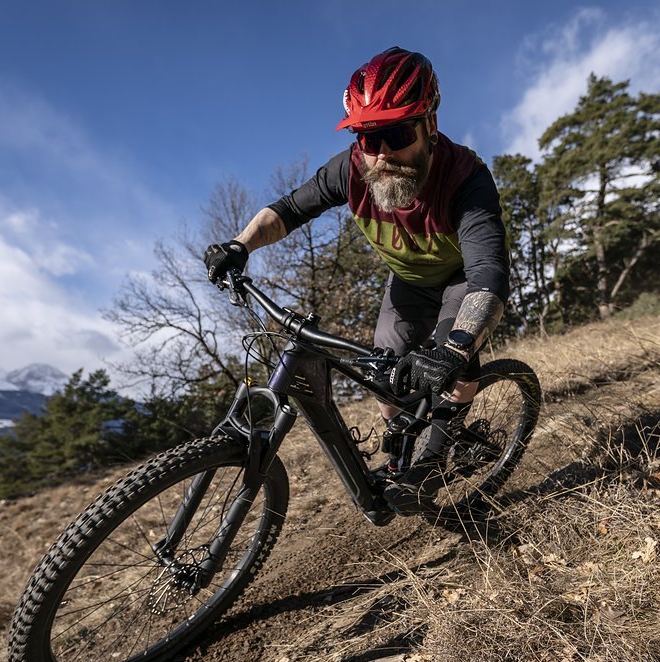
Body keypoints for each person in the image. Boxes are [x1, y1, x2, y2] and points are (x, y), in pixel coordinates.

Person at [204, 46, 509, 524]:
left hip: (460, 282)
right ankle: (396, 454)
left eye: (396, 132)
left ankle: (431, 463)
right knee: (385, 368)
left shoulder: (465, 177)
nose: (382, 153)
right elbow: (286, 211)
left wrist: (454, 349)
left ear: (430, 125)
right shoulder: (350, 169)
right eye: (369, 136)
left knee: (455, 365)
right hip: (407, 283)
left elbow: (488, 276)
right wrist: (239, 246)